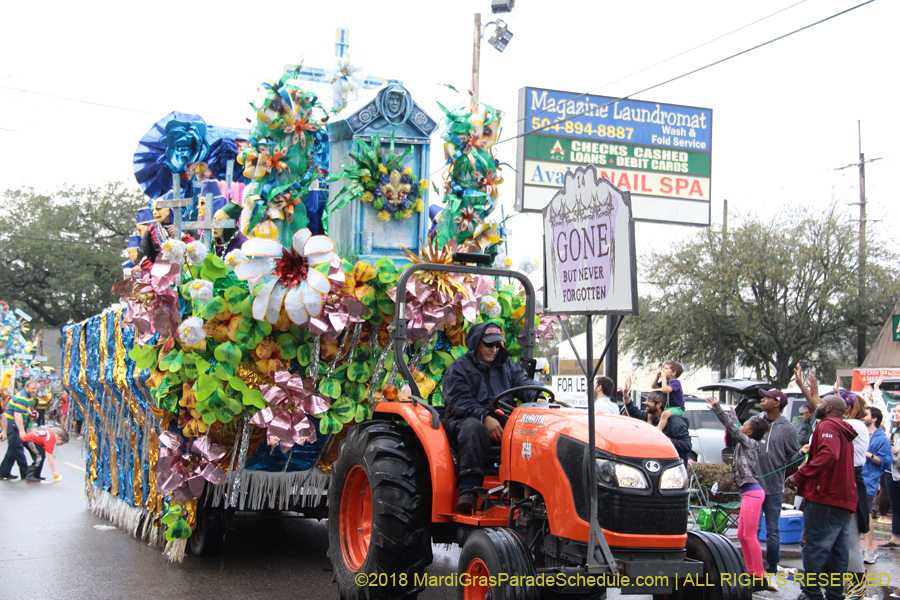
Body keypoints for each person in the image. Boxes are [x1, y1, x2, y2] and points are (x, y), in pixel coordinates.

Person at [442, 322, 539, 512]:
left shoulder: (507, 365)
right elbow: (458, 401)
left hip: (501, 419)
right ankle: (468, 489)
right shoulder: (458, 369)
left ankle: (529, 490)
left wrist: (537, 397)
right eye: (489, 345)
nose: (494, 350)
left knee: (530, 428)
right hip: (464, 421)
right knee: (474, 427)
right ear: (476, 343)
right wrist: (484, 416)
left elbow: (523, 383)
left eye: (497, 345)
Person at [787, 395, 858, 600]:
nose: (817, 406)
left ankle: (811, 593)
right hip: (843, 499)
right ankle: (834, 594)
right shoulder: (842, 429)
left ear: (828, 408)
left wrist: (799, 475)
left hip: (826, 496)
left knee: (814, 547)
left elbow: (828, 455)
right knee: (837, 551)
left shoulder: (827, 425)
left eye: (821, 404)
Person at [705, 395, 773, 591]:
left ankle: (759, 578)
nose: (741, 427)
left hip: (753, 493)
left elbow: (734, 429)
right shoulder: (748, 440)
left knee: (749, 536)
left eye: (745, 426)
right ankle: (750, 573)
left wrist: (718, 409)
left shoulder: (749, 443)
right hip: (748, 493)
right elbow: (737, 426)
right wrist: (733, 414)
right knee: (742, 535)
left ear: (749, 433)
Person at [755, 388, 802, 574]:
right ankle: (752, 566)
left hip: (774, 488)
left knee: (772, 530)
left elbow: (793, 460)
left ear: (777, 403)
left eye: (767, 397)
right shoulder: (755, 422)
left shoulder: (788, 429)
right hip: (753, 486)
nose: (762, 400)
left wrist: (802, 453)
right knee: (752, 530)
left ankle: (772, 567)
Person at [622, 379, 692, 466]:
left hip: (672, 468)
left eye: (649, 401)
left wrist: (666, 440)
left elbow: (687, 445)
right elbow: (634, 412)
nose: (645, 403)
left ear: (659, 404)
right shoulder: (649, 417)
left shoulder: (675, 422)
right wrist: (625, 394)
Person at [863, 406, 892, 563]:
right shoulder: (859, 432)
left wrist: (869, 455)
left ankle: (869, 549)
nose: (862, 415)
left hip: (868, 480)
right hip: (853, 478)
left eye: (866, 414)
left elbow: (885, 462)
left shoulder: (881, 438)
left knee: (866, 513)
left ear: (874, 418)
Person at [0, 379, 38, 480]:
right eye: (32, 388)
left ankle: (3, 472)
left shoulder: (28, 396)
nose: (34, 391)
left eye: (35, 389)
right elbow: (17, 415)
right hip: (12, 423)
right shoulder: (22, 398)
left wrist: (31, 413)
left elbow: (25, 407)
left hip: (15, 423)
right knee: (18, 448)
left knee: (12, 449)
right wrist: (21, 431)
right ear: (26, 387)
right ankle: (25, 473)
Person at [651, 361, 684, 433]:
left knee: (665, 414)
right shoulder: (666, 382)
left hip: (678, 408)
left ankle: (659, 428)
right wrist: (657, 377)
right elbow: (654, 386)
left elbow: (665, 390)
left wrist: (663, 377)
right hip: (670, 408)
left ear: (673, 373)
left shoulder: (676, 382)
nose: (663, 370)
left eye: (666, 369)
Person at [884, 404, 900, 549]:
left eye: (899, 411)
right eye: (895, 411)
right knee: (895, 505)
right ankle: (895, 538)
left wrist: (897, 452)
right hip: (891, 471)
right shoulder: (894, 429)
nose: (896, 414)